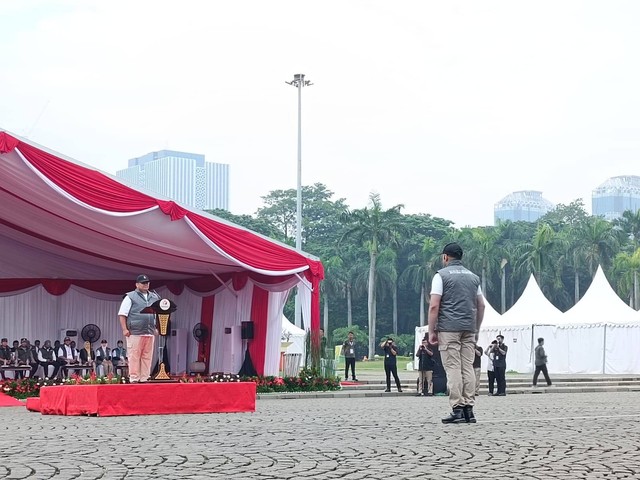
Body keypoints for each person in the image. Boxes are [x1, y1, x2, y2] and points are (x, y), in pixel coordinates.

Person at [428, 242, 485, 424]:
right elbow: (481, 305)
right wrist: (476, 328)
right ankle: (469, 408)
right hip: (468, 328)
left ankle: (457, 408)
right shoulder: (473, 278)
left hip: (448, 328)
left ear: (445, 257)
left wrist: (431, 330)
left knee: (452, 367)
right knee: (467, 367)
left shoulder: (441, 276)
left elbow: (434, 305)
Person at [118, 274, 160, 383]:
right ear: (137, 284)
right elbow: (122, 314)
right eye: (143, 283)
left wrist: (156, 327)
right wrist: (124, 329)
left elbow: (157, 313)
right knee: (134, 356)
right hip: (135, 331)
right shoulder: (130, 296)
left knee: (147, 356)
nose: (146, 285)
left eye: (147, 283)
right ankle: (134, 378)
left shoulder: (154, 297)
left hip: (149, 331)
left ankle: (144, 377)